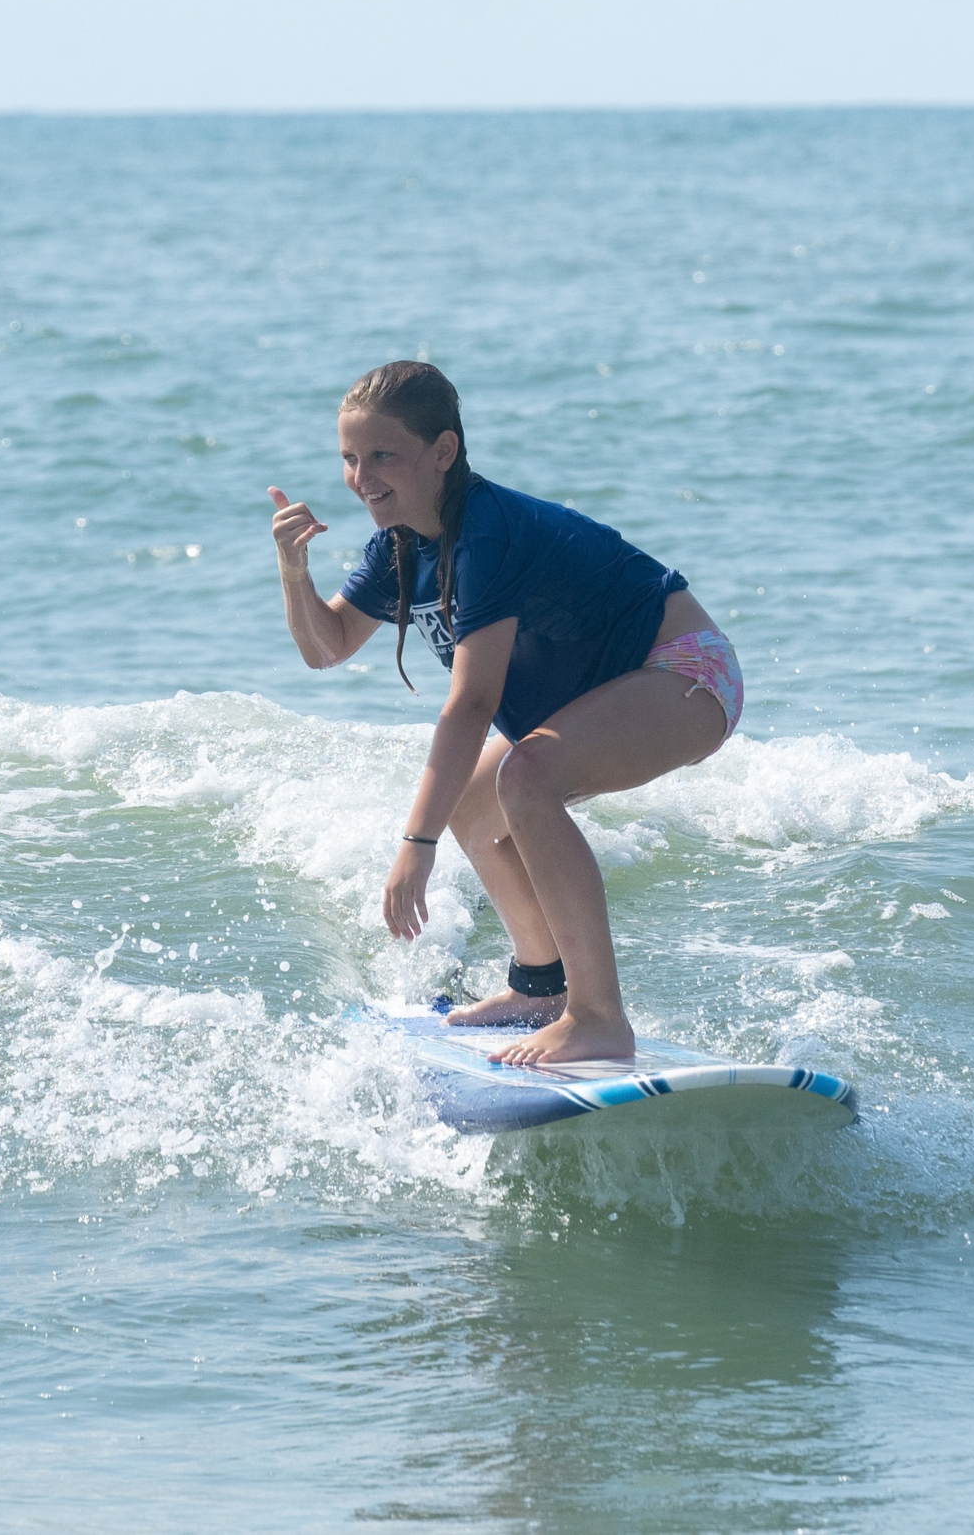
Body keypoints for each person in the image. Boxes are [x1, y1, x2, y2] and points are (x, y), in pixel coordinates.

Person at [267, 361, 742, 1065]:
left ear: (443, 452)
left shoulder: (487, 534)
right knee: (474, 801)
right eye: (348, 458)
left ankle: (599, 1018)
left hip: (685, 673)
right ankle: (541, 988)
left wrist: (414, 848)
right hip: (613, 694)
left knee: (524, 778)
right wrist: (292, 568)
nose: (361, 477)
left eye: (381, 456)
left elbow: (473, 703)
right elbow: (326, 647)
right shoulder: (400, 548)